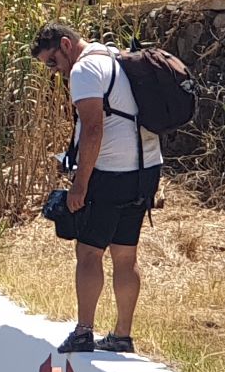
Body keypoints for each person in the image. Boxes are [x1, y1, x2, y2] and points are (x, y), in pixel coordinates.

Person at [31, 22, 164, 354]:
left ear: (66, 44)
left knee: (88, 252)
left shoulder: (84, 69)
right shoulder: (112, 56)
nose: (56, 71)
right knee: (125, 254)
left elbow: (93, 130)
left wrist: (80, 186)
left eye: (53, 62)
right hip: (145, 169)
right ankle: (122, 335)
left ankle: (83, 332)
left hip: (111, 173)